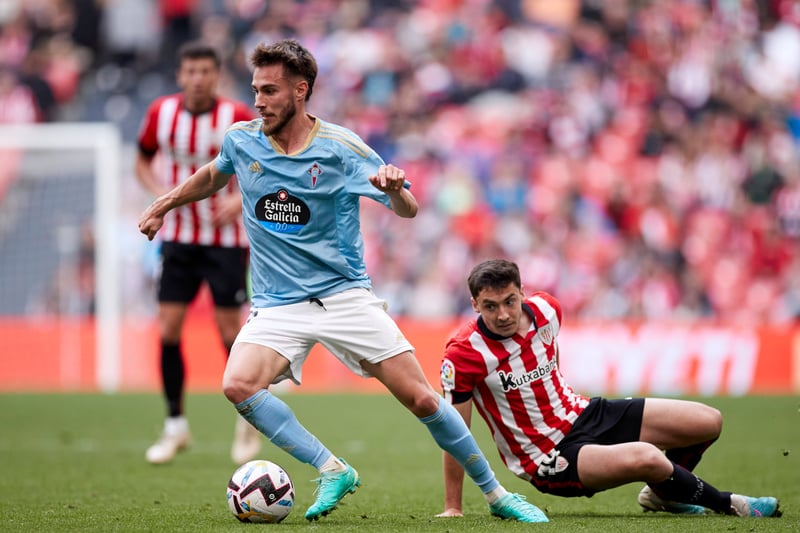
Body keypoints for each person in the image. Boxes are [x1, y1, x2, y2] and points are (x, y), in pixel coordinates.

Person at [138, 38, 548, 523]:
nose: (258, 101)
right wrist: (164, 204)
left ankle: (497, 494)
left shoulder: (341, 148)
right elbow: (213, 175)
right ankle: (332, 468)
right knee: (239, 384)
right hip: (277, 304)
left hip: (344, 296)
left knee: (422, 399)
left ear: (300, 91)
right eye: (255, 90)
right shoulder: (241, 140)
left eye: (270, 91)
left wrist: (395, 191)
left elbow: (408, 208)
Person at [438, 258, 782, 519]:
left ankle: (663, 495)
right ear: (475, 304)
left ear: (522, 293)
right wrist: (454, 506)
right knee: (648, 456)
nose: (502, 314)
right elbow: (455, 431)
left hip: (584, 413)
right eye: (490, 306)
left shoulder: (546, 309)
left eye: (509, 301)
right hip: (546, 455)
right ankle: (731, 504)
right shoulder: (464, 354)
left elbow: (548, 357)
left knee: (708, 421)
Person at [135, 41, 262, 465]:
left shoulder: (236, 116)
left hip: (225, 241)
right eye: (191, 71)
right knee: (169, 329)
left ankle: (248, 418)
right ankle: (175, 425)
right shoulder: (162, 113)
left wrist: (239, 199)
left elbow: (263, 165)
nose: (198, 79)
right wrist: (162, 196)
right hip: (178, 238)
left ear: (217, 75)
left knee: (228, 333)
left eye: (206, 71)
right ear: (180, 75)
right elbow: (142, 160)